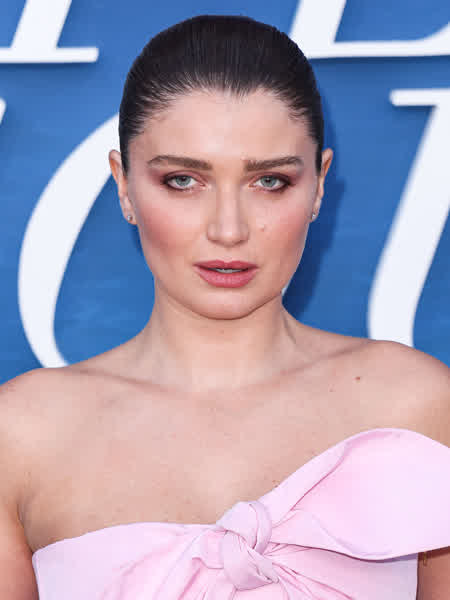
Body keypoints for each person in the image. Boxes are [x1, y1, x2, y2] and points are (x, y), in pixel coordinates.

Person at [1, 14, 449, 600]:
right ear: (124, 184)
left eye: (270, 182)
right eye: (184, 180)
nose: (229, 229)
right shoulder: (21, 435)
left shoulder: (417, 408)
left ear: (318, 184)